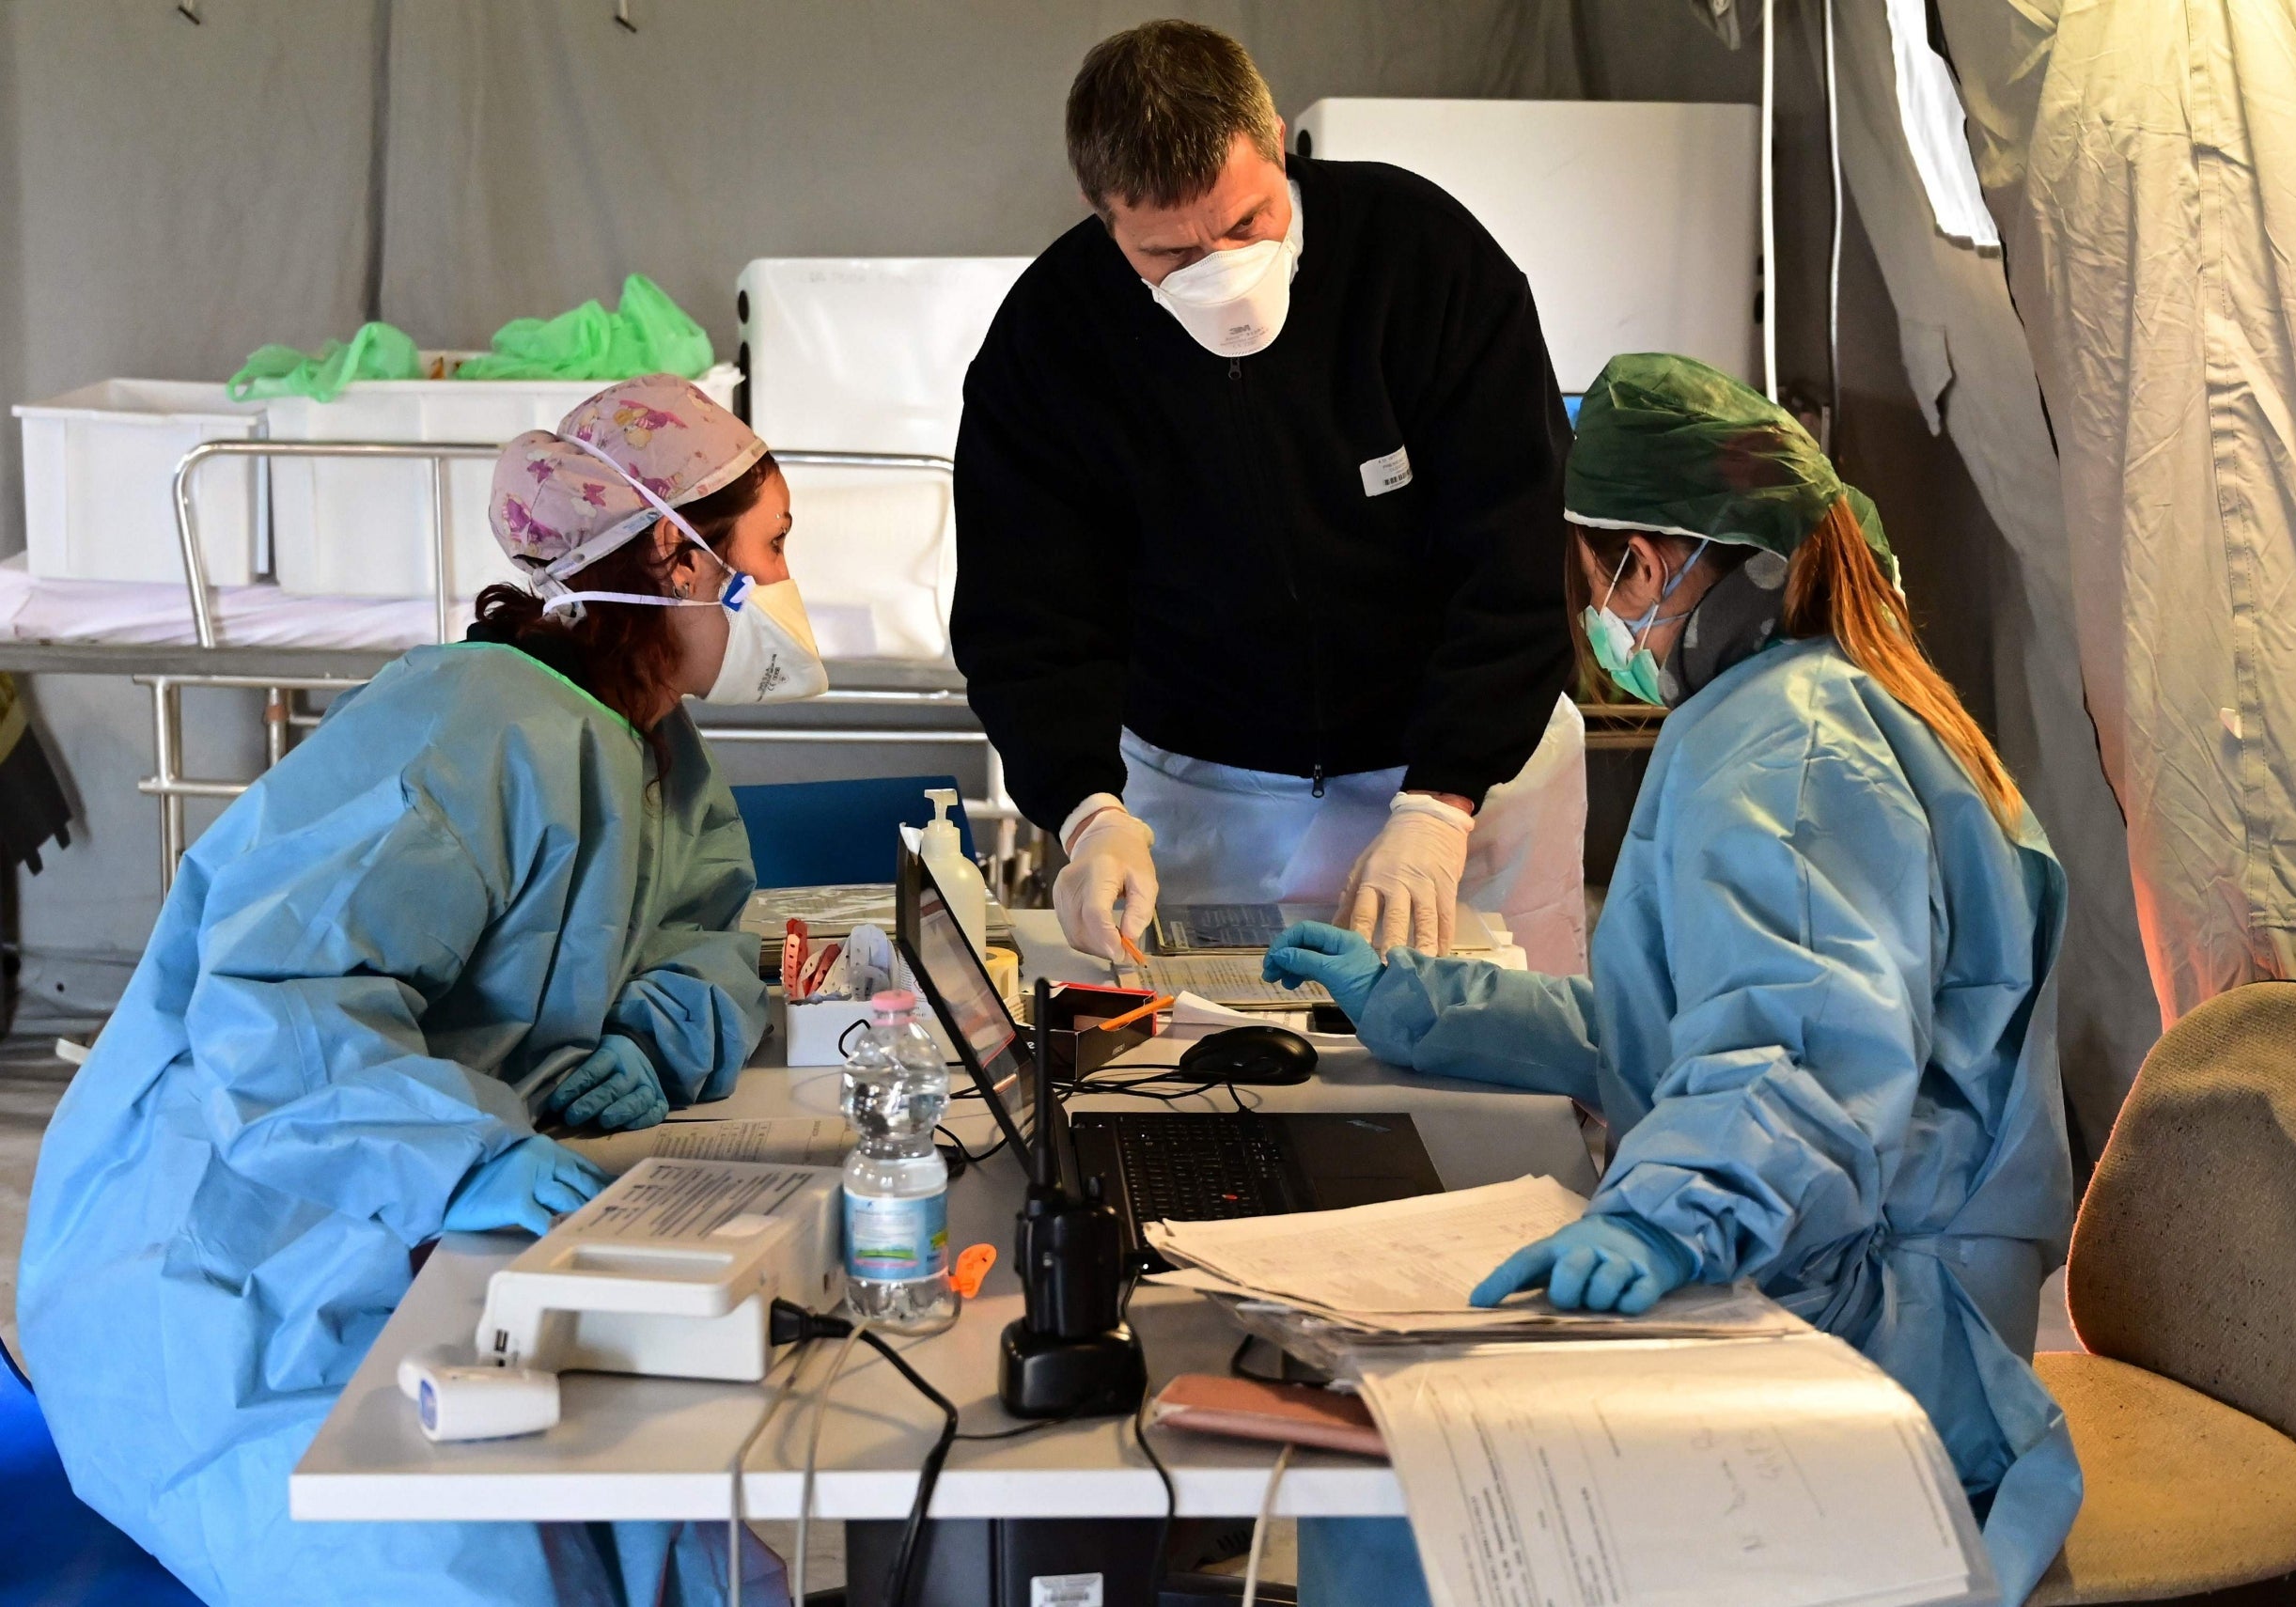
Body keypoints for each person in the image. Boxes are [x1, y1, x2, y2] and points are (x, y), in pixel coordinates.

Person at [1265, 354, 2083, 1607]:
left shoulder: (1790, 747)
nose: (1594, 626)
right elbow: (1683, 1030)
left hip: (1872, 1339)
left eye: (1590, 582)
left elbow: (1801, 1048)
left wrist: (1667, 1214)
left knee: (1403, 1474)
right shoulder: (1809, 704)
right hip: (1831, 1261)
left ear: (1642, 567)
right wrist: (1425, 1004)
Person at [16, 374, 827, 1606]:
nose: (784, 583)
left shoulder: (645, 739)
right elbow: (275, 1002)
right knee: (495, 1574)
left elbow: (708, 925)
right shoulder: (470, 724)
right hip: (242, 1274)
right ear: (677, 550)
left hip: (408, 1222)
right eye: (770, 547)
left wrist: (659, 1038)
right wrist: (460, 1158)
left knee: (686, 1520)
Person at [952, 20, 1587, 971]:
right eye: (1168, 254)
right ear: (1100, 212)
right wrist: (1087, 812)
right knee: (1227, 1081)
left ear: (1278, 140)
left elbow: (1521, 550)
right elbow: (1025, 619)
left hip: (1467, 772)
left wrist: (1441, 799)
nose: (1221, 275)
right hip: (1205, 794)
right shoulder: (1050, 342)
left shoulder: (1425, 260)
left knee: (1512, 1083)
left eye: (1247, 223)